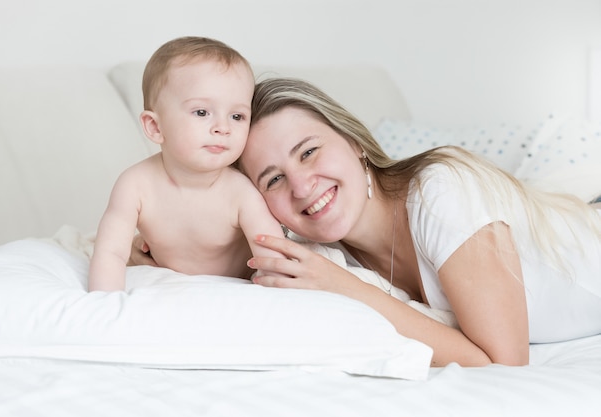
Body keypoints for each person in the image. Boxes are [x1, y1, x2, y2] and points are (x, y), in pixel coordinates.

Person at [132, 76, 601, 367]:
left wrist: (346, 288)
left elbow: (503, 362)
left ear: (354, 141)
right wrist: (158, 251)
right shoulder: (321, 254)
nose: (301, 186)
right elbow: (228, 265)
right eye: (273, 179)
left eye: (310, 151)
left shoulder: (441, 191)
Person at [88, 37, 287, 291]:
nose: (222, 128)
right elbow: (111, 252)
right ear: (155, 126)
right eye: (202, 112)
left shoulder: (241, 193)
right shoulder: (135, 185)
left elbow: (274, 261)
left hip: (233, 289)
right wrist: (104, 305)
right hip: (168, 285)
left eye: (237, 116)